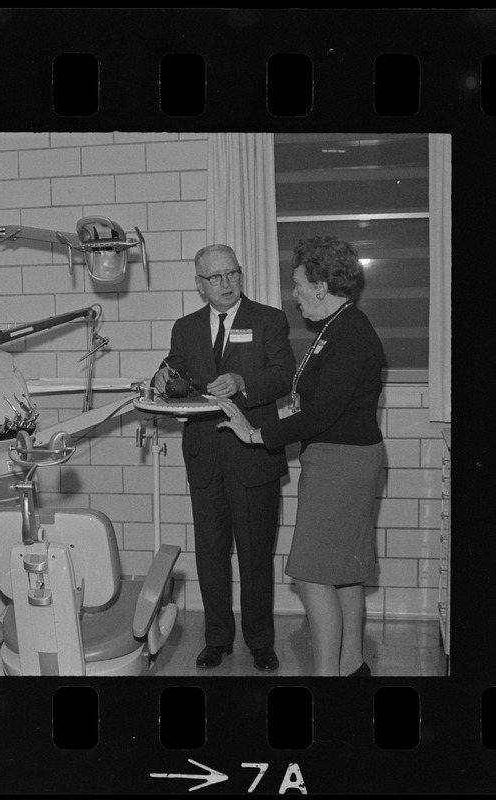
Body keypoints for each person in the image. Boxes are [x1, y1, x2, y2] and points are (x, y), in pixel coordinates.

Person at [215, 234, 385, 677]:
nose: (294, 295)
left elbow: (324, 411)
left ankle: (327, 681)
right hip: (339, 458)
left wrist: (256, 434)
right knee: (343, 572)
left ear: (322, 287)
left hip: (342, 462)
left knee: (311, 576)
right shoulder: (338, 327)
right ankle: (352, 667)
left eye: (299, 285)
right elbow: (316, 400)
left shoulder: (349, 332)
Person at [153, 244, 295, 671]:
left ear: (241, 275)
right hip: (204, 456)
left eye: (232, 273)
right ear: (199, 285)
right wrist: (162, 374)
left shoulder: (268, 320)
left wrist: (242, 381)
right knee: (210, 553)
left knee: (255, 555)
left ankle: (260, 641)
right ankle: (217, 638)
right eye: (215, 277)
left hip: (252, 452)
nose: (226, 283)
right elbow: (174, 368)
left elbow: (285, 374)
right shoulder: (186, 327)